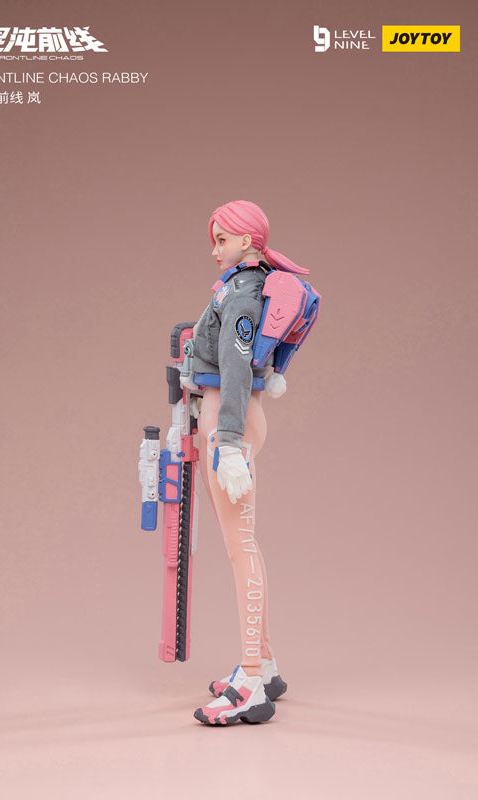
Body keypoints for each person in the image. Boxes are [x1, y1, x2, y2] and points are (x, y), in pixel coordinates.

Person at [187, 200, 311, 726]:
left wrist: (230, 443)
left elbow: (236, 369)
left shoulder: (242, 293)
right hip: (224, 420)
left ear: (247, 241)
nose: (214, 249)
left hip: (228, 423)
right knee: (239, 544)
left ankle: (253, 683)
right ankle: (268, 665)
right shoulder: (239, 285)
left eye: (222, 239)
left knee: (242, 548)